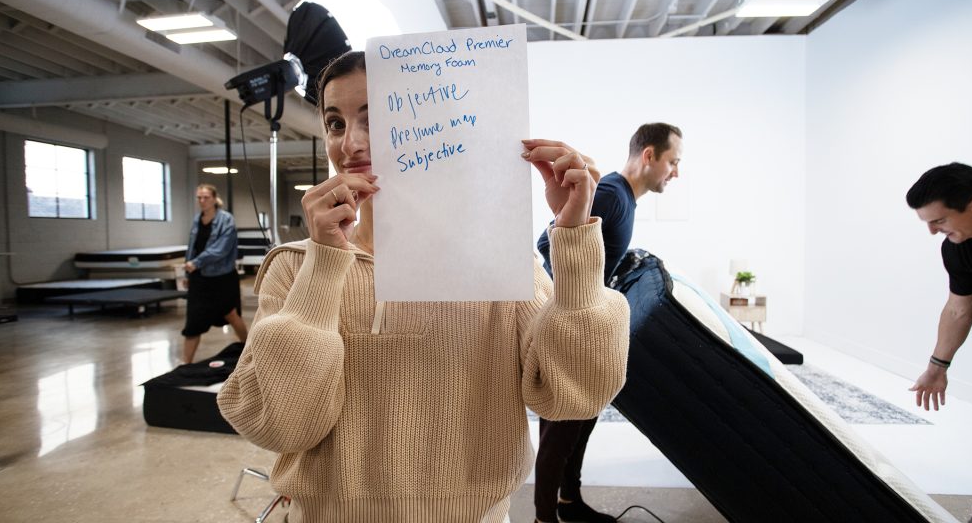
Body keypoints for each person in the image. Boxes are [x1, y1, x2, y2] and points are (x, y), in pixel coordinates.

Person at [216, 50, 630, 523]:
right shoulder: (295, 268)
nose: (350, 143)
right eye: (335, 122)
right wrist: (326, 264)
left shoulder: (494, 263)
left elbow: (573, 393)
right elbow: (280, 424)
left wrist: (575, 239)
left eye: (375, 118)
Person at [533, 123, 683, 523]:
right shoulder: (614, 195)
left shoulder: (623, 200)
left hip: (591, 326)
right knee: (561, 431)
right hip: (573, 325)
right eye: (673, 162)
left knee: (583, 421)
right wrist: (573, 297)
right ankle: (544, 517)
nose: (676, 173)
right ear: (649, 155)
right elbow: (549, 243)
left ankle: (569, 502)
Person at [906, 162, 972, 523]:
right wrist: (937, 367)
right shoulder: (960, 247)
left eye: (940, 220)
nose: (933, 231)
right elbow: (960, 309)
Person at [181, 184, 248, 364]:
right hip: (198, 276)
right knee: (193, 322)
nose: (202, 201)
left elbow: (221, 249)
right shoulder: (197, 220)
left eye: (206, 197)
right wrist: (188, 273)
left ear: (214, 198)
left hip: (222, 277)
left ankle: (250, 352)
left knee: (231, 314)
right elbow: (192, 247)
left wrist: (196, 263)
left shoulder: (226, 219)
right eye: (199, 198)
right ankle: (185, 364)